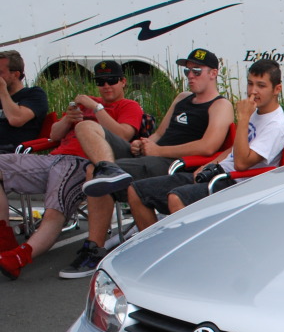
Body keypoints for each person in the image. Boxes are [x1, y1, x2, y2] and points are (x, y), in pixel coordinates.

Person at [60, 47, 232, 279]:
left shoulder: (220, 105)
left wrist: (158, 150)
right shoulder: (182, 98)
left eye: (196, 71)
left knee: (93, 170)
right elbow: (159, 133)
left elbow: (208, 146)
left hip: (172, 163)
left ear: (213, 73)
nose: (190, 76)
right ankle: (110, 170)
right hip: (150, 155)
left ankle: (94, 248)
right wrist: (143, 143)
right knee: (85, 127)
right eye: (187, 71)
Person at [0, 61, 142, 280]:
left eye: (112, 80)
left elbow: (123, 134)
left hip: (81, 162)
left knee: (55, 207)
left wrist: (97, 108)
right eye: (100, 82)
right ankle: (4, 238)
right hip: (54, 158)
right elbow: (54, 136)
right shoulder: (84, 105)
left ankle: (20, 257)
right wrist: (68, 119)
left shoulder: (128, 106)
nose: (106, 86)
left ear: (123, 82)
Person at [127, 59, 284, 231]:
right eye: (250, 84)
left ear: (277, 89)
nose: (253, 91)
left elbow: (242, 163)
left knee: (177, 198)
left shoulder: (277, 126)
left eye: (261, 86)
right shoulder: (257, 113)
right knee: (137, 191)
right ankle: (157, 244)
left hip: (238, 184)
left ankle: (189, 247)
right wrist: (210, 165)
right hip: (218, 173)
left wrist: (243, 119)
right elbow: (234, 149)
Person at [0, 50, 48, 153]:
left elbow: (16, 119)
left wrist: (2, 89)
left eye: (0, 73)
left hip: (11, 152)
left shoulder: (34, 94)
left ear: (16, 75)